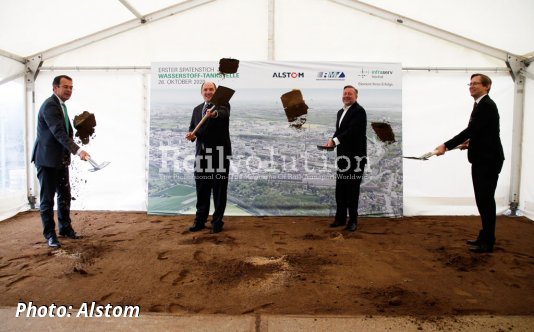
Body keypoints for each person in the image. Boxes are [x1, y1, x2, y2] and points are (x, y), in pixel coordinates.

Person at [435, 73, 505, 253]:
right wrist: (471, 143)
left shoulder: (486, 105)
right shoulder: (480, 105)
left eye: (476, 84)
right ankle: (485, 235)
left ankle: (488, 241)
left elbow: (471, 130)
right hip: (483, 158)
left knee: (485, 201)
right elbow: (484, 132)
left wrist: (446, 145)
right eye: (470, 83)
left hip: (488, 160)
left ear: (487, 86)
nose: (471, 86)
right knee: (483, 200)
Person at [31, 75, 90, 248]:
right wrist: (78, 150)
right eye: (65, 87)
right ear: (55, 88)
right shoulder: (50, 105)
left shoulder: (61, 106)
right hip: (47, 160)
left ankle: (65, 228)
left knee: (64, 195)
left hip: (61, 160)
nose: (69, 90)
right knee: (47, 199)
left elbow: (66, 132)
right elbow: (58, 132)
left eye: (71, 87)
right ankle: (50, 235)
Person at [185, 82, 231, 233]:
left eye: (211, 89)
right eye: (205, 89)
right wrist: (191, 135)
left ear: (216, 92)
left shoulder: (222, 105)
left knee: (219, 190)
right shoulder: (197, 110)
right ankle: (200, 221)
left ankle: (217, 222)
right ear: (201, 92)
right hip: (201, 155)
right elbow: (193, 129)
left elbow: (223, 115)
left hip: (219, 154)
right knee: (202, 189)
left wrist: (214, 114)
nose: (208, 92)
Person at [324, 85, 367, 232]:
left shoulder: (359, 112)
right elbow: (340, 131)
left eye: (350, 94)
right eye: (345, 93)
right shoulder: (340, 112)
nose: (347, 96)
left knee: (352, 190)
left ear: (356, 96)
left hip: (355, 159)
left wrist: (335, 141)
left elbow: (352, 132)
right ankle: (340, 218)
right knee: (341, 189)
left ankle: (353, 221)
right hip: (342, 157)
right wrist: (332, 141)